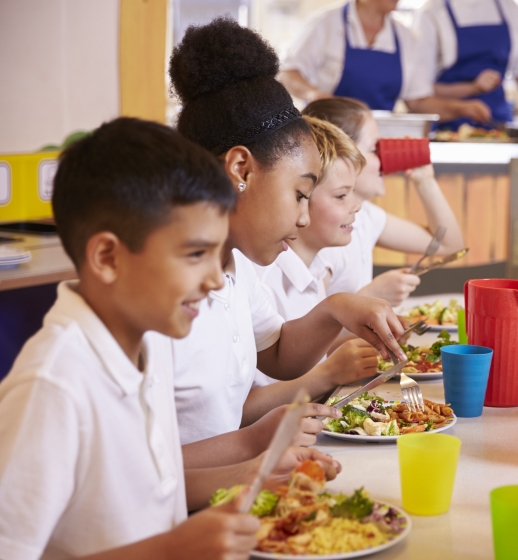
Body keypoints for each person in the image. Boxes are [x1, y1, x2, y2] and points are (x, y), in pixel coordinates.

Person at [0, 117, 339, 559]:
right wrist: (171, 549)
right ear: (106, 257)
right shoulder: (53, 386)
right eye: (195, 255)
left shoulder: (146, 346)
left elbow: (147, 489)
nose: (216, 280)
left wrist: (252, 473)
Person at [167, 18, 407, 465]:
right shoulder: (165, 298)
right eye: (300, 194)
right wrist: (254, 445)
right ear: (240, 170)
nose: (303, 216)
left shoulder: (237, 269)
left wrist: (337, 308)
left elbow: (276, 353)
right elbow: (143, 467)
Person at [254, 116, 379, 392]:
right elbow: (244, 406)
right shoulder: (263, 280)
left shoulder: (316, 271)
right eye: (341, 195)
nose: (356, 206)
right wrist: (330, 373)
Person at [303, 97, 465, 306]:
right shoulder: (323, 237)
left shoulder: (364, 216)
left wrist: (426, 182)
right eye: (374, 148)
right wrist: (372, 297)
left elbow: (447, 244)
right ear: (344, 153)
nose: (385, 158)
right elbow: (307, 334)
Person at [279, 0, 490, 124]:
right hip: (327, 138)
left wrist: (461, 108)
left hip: (377, 143)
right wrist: (313, 94)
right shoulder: (326, 24)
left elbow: (418, 102)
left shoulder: (405, 38)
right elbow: (289, 74)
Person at [414, 0, 518, 130]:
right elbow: (421, 92)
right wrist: (472, 88)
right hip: (447, 129)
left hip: (497, 126)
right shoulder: (433, 12)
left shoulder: (509, 9)